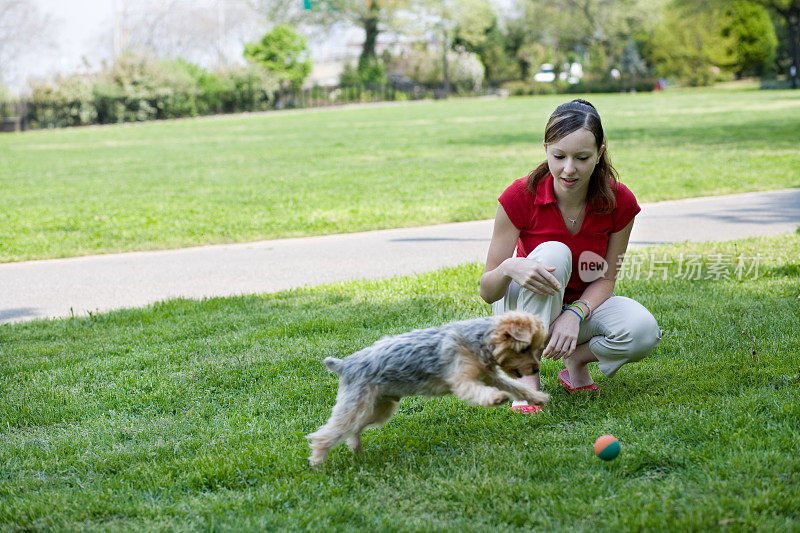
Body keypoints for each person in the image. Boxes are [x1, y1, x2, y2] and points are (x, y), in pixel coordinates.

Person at [479, 99, 662, 414]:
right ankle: (526, 382)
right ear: (546, 148)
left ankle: (575, 360)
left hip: (578, 307)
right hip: (521, 310)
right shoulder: (519, 196)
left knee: (643, 331)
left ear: (600, 153)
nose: (569, 169)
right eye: (559, 156)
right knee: (555, 252)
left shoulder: (619, 201)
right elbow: (487, 290)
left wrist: (574, 315)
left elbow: (606, 278)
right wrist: (510, 266)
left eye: (582, 157)